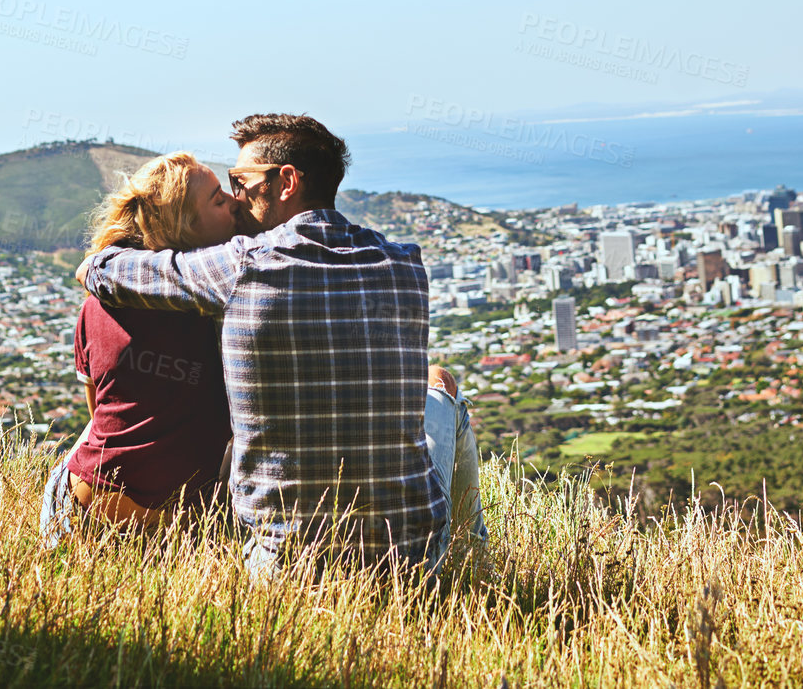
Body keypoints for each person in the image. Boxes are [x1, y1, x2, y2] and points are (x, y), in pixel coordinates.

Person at [79, 114, 486, 574]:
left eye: (240, 181)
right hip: (410, 563)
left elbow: (102, 268)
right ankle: (473, 566)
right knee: (442, 387)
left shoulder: (242, 266)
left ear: (286, 181)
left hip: (283, 569)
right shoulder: (406, 265)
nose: (235, 197)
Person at [40, 151, 235, 544]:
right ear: (184, 226)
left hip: (83, 499)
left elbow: (99, 414)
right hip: (183, 516)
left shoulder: (97, 303)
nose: (234, 202)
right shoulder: (219, 307)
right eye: (218, 199)